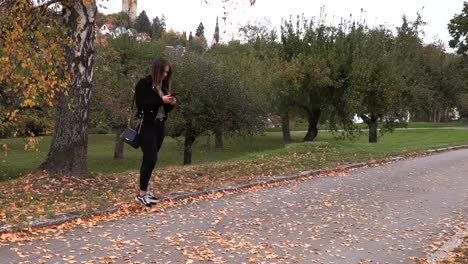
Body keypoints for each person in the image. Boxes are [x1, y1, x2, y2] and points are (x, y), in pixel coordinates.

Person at [134, 57, 176, 207]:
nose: (165, 75)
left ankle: (144, 191)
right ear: (156, 70)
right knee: (150, 158)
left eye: (167, 73)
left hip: (159, 126)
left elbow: (164, 109)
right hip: (147, 125)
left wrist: (170, 103)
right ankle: (141, 195)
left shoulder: (162, 87)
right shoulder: (143, 84)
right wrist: (161, 101)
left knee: (151, 159)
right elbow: (142, 105)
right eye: (163, 72)